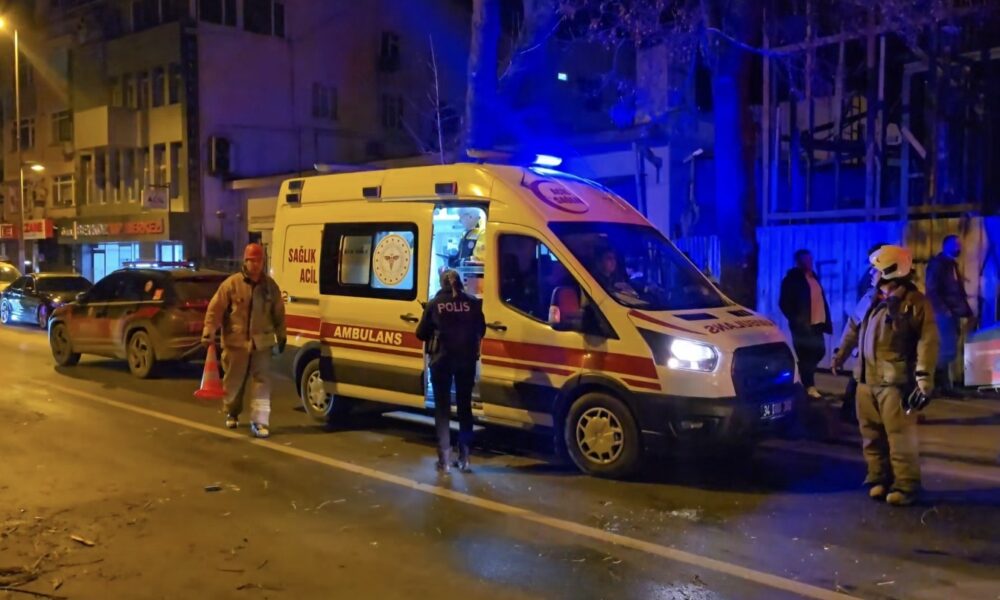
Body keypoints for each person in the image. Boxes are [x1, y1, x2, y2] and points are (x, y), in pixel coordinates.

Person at [832, 245, 938, 506]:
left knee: (899, 437)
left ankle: (906, 486)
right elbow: (853, 327)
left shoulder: (914, 303)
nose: (871, 274)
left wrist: (924, 379)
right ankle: (878, 478)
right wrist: (839, 356)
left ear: (891, 271)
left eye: (875, 269)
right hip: (865, 380)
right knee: (871, 435)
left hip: (894, 383)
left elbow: (927, 342)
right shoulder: (870, 298)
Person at [202, 243, 287, 439]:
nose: (256, 265)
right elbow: (215, 309)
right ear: (245, 261)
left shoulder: (270, 287)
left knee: (262, 382)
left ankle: (260, 421)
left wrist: (282, 334)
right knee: (234, 382)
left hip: (262, 343)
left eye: (259, 261)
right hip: (236, 343)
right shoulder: (231, 285)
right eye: (252, 261)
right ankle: (232, 412)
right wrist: (209, 331)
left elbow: (279, 312)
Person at [416, 269, 486, 473]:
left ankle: (444, 460)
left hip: (441, 361)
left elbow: (420, 333)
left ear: (442, 283)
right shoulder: (473, 303)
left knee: (442, 410)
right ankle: (465, 458)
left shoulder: (434, 304)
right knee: (465, 408)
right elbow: (482, 329)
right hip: (466, 361)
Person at [842, 242, 888, 422]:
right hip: (869, 335)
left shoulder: (877, 275)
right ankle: (852, 413)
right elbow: (858, 317)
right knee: (862, 376)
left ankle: (853, 413)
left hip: (872, 335)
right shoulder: (872, 278)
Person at [779, 249, 832, 399]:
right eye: (805, 260)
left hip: (818, 323)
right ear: (798, 262)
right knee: (807, 356)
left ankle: (803, 379)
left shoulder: (813, 277)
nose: (809, 262)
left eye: (810, 259)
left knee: (819, 352)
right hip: (803, 326)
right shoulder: (792, 280)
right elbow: (784, 303)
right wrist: (797, 320)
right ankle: (809, 386)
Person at [925, 235, 973, 394]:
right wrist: (944, 310)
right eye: (955, 244)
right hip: (943, 314)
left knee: (948, 349)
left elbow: (957, 292)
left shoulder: (951, 264)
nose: (959, 247)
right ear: (946, 246)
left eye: (959, 244)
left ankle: (944, 385)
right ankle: (939, 385)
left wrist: (966, 312)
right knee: (944, 350)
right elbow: (932, 289)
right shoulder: (938, 264)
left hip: (952, 314)